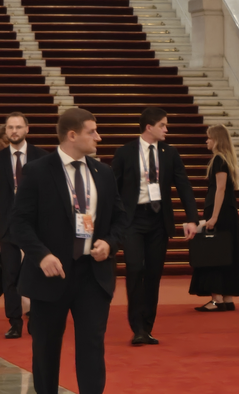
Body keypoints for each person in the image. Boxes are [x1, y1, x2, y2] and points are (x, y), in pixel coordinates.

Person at [10, 108, 126, 394]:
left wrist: (110, 242)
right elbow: (19, 222)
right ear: (72, 135)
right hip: (51, 275)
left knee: (92, 347)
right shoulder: (37, 170)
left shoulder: (104, 172)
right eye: (92, 131)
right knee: (46, 349)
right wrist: (42, 255)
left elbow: (121, 219)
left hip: (93, 275)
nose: (98, 137)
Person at [111, 107, 199, 345]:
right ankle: (136, 325)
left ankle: (147, 327)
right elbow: (112, 189)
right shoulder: (125, 152)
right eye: (163, 125)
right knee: (134, 268)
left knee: (153, 273)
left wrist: (191, 218)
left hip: (159, 220)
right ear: (149, 127)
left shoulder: (170, 153)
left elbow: (184, 186)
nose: (166, 129)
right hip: (132, 220)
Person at [0, 112, 48, 339]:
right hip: (7, 228)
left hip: (35, 228)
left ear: (27, 129)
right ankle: (15, 322)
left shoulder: (43, 158)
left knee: (37, 274)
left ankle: (37, 319)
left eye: (18, 127)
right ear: (6, 131)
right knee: (9, 276)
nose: (14, 131)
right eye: (10, 127)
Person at [190, 124, 239, 311]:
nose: (207, 141)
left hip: (220, 213)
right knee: (227, 253)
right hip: (228, 212)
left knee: (213, 254)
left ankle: (217, 299)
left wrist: (213, 217)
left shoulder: (218, 160)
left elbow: (220, 188)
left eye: (209, 138)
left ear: (217, 140)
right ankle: (227, 297)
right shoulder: (227, 160)